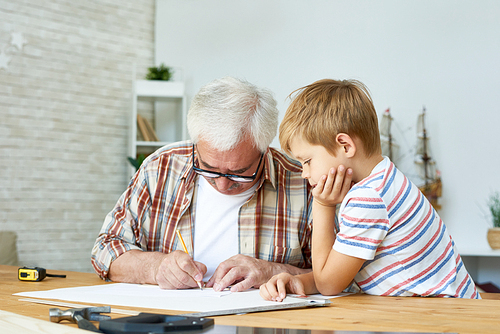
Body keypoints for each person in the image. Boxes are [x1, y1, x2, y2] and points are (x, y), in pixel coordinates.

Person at [91, 77, 352, 293]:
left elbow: (349, 278)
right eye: (208, 168)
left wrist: (273, 271)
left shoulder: (305, 182)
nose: (223, 184)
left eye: (239, 172)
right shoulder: (160, 169)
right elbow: (105, 250)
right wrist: (156, 267)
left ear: (264, 150)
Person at [260, 79, 480, 300]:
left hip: (449, 318)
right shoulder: (384, 178)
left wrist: (322, 206)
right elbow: (345, 272)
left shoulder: (368, 198)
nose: (304, 173)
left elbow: (328, 284)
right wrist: (298, 282)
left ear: (345, 145)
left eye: (307, 161)